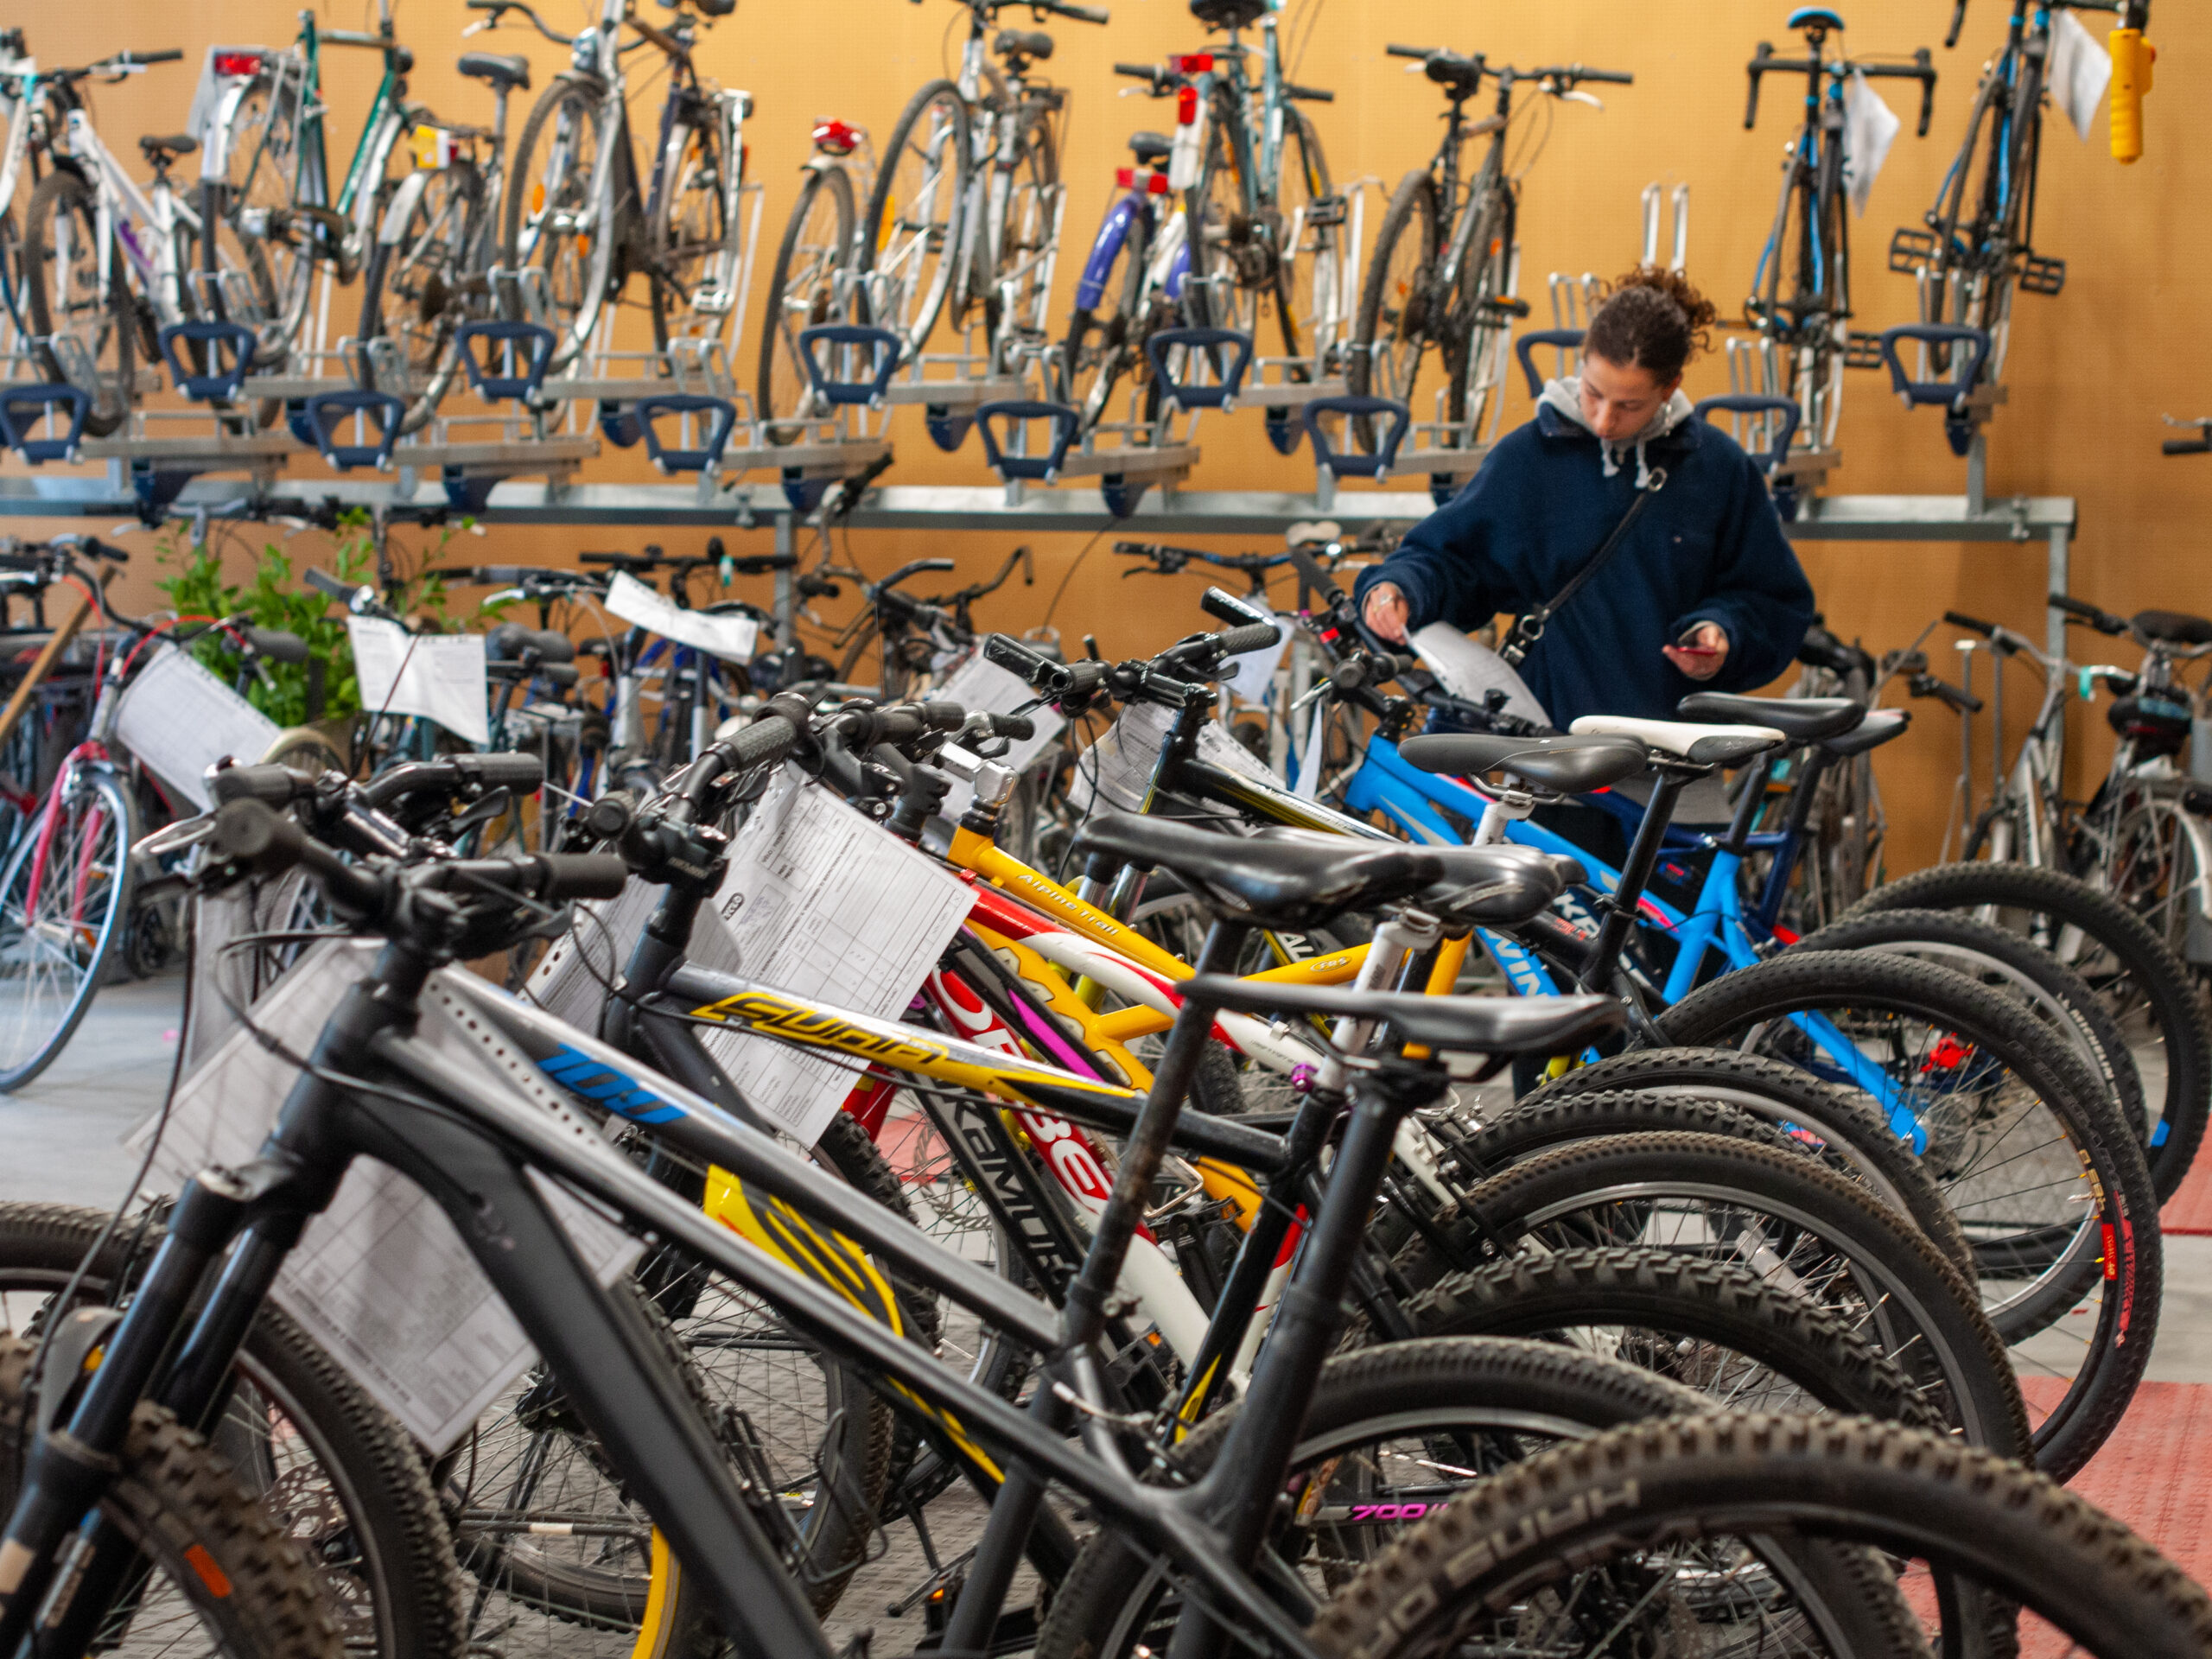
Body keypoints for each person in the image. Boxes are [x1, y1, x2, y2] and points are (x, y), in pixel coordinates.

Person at [1355, 267, 1816, 732]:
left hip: (1668, 750)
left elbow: (1772, 599)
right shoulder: (1531, 456)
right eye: (1593, 393)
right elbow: (1454, 561)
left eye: (1629, 405)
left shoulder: (1718, 468)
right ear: (1582, 362)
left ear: (1670, 388)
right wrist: (1399, 589)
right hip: (1545, 740)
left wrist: (1722, 633)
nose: (1603, 420)